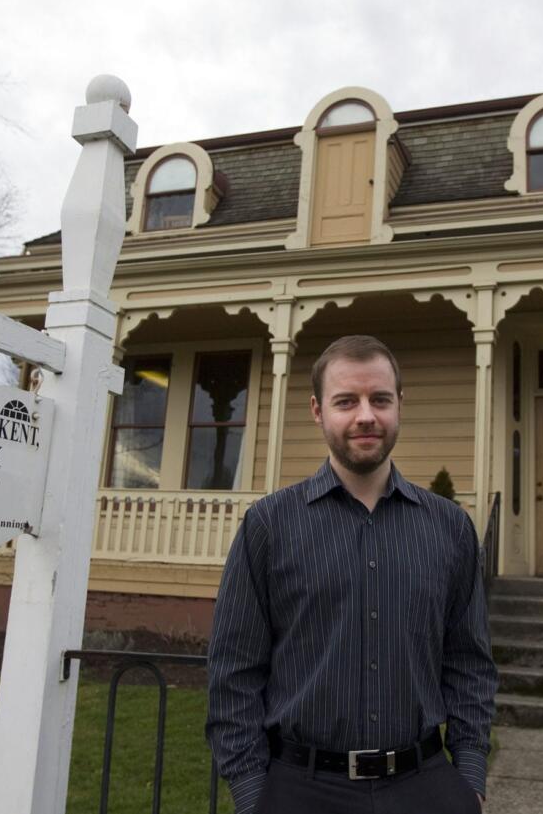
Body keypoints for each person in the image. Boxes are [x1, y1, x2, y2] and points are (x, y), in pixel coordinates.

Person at [206, 334, 498, 814]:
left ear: (399, 405)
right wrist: (253, 795)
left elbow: (469, 663)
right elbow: (234, 673)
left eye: (379, 399)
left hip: (425, 787)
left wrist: (469, 777)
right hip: (300, 790)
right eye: (347, 401)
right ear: (318, 411)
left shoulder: (450, 528)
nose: (366, 415)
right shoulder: (269, 526)